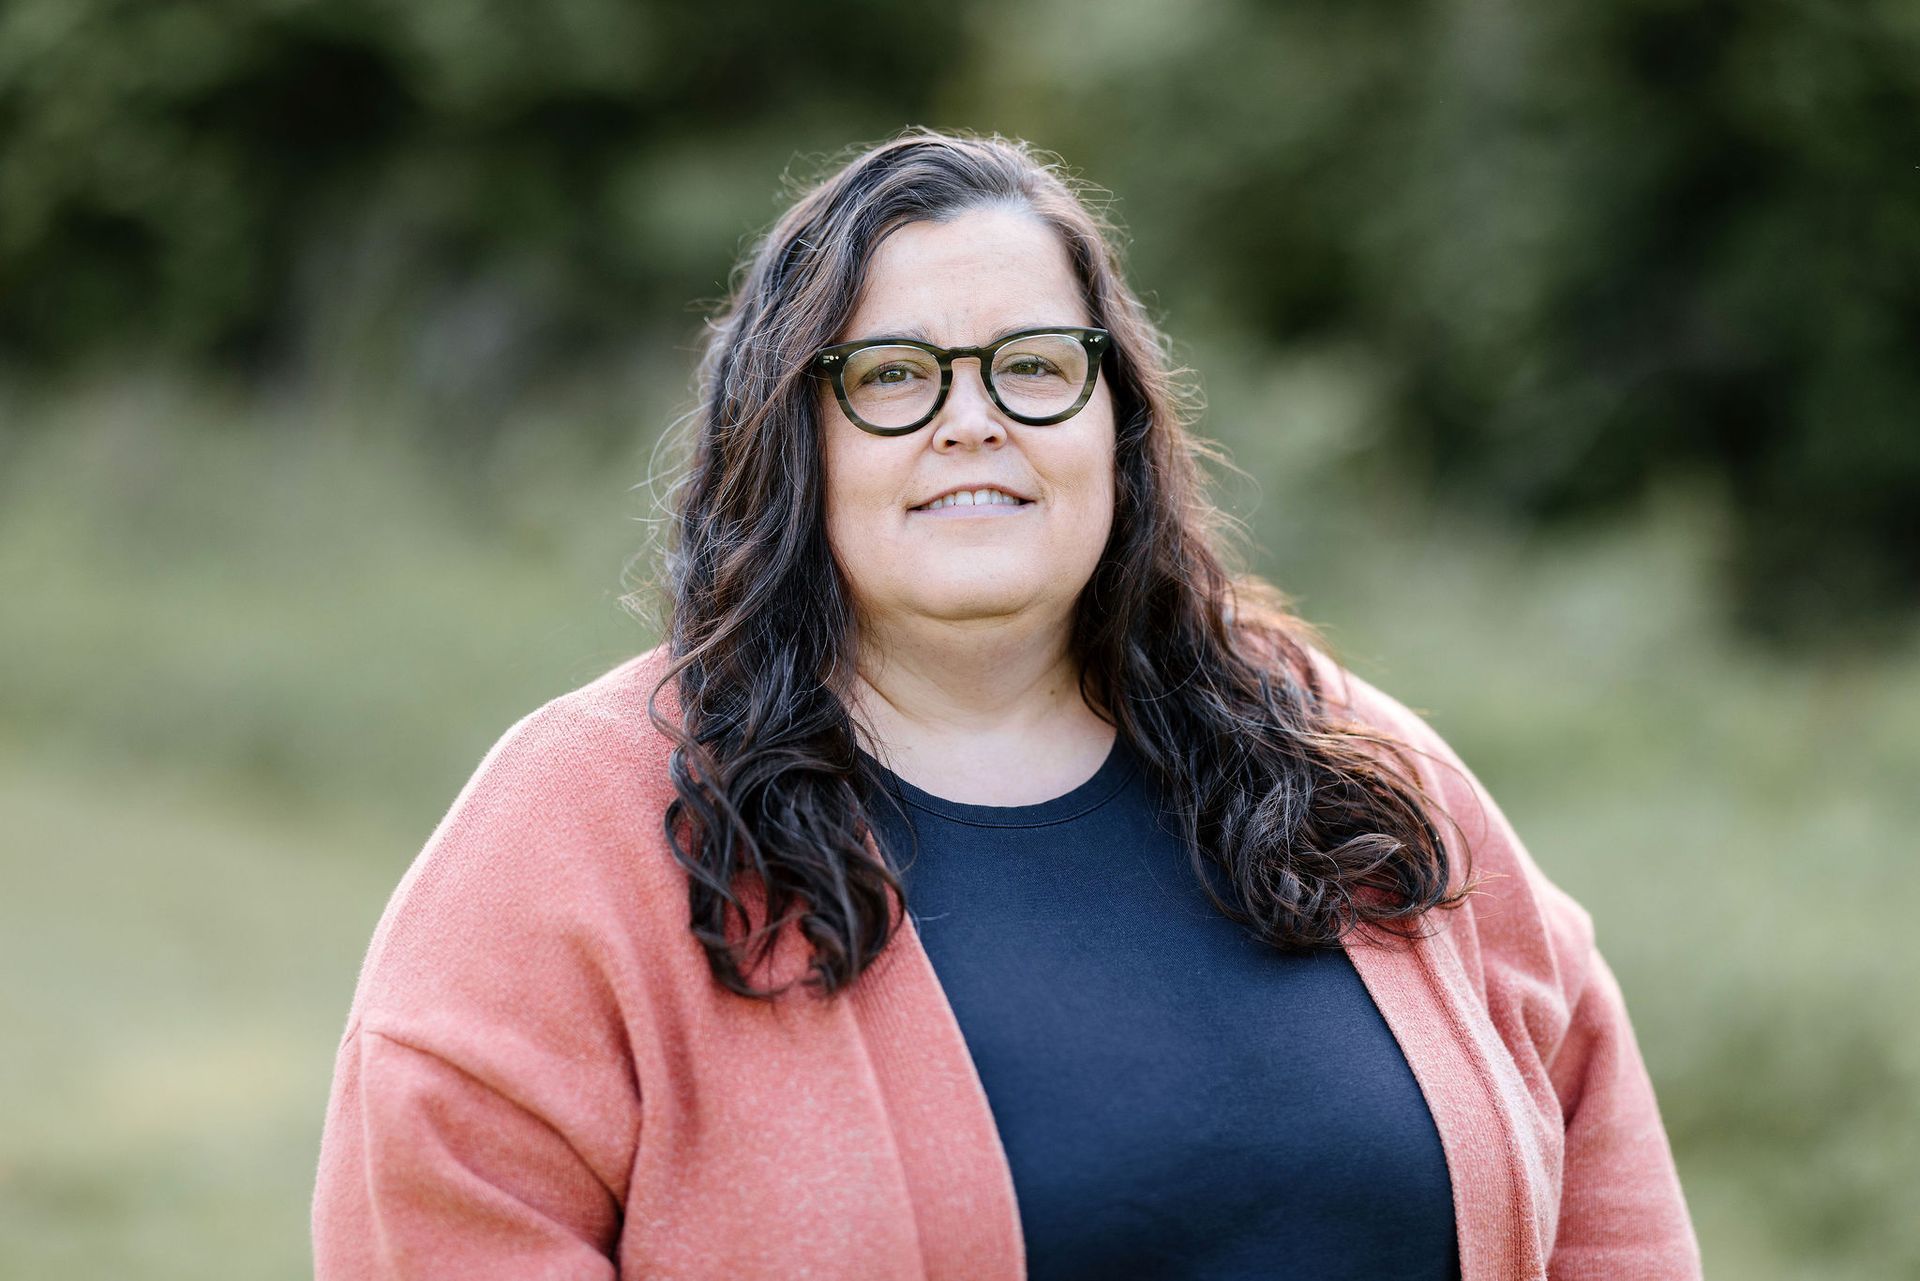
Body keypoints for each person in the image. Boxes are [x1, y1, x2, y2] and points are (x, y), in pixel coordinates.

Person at [311, 128, 1703, 1280]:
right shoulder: (581, 825)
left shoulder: (1343, 761)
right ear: (792, 436)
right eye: (896, 378)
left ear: (1119, 424)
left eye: (1034, 366)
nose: (972, 421)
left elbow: (1602, 1177)